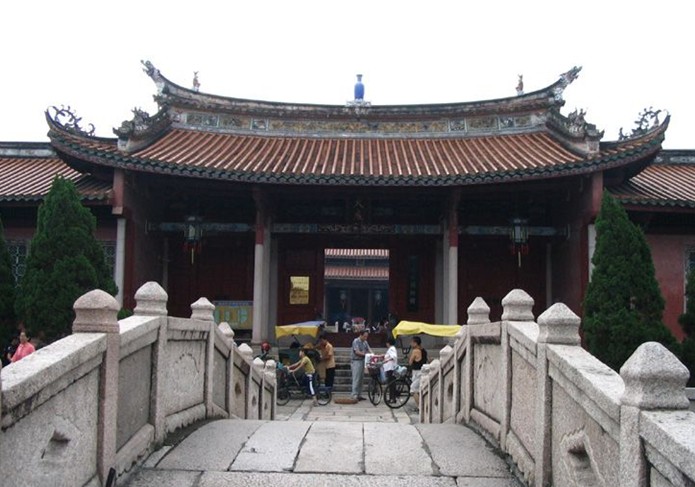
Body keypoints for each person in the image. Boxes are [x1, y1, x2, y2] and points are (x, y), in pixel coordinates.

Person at [350, 329, 371, 401]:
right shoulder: (356, 341)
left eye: (366, 336)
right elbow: (357, 351)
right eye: (364, 336)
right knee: (356, 378)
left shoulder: (365, 342)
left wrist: (372, 355)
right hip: (356, 361)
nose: (366, 338)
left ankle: (359, 394)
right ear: (361, 335)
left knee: (361, 379)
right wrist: (365, 354)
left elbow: (369, 349)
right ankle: (354, 394)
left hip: (363, 361)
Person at [408, 336, 428, 406]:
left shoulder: (415, 351)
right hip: (423, 371)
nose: (411, 344)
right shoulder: (424, 351)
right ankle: (422, 405)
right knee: (419, 390)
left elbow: (410, 362)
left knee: (413, 389)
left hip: (417, 372)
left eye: (412, 342)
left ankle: (419, 406)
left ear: (415, 343)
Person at [381, 338, 398, 402]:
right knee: (391, 384)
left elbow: (393, 356)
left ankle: (392, 398)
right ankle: (392, 398)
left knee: (391, 384)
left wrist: (387, 360)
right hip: (390, 367)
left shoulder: (391, 349)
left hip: (390, 368)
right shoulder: (391, 349)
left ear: (388, 343)